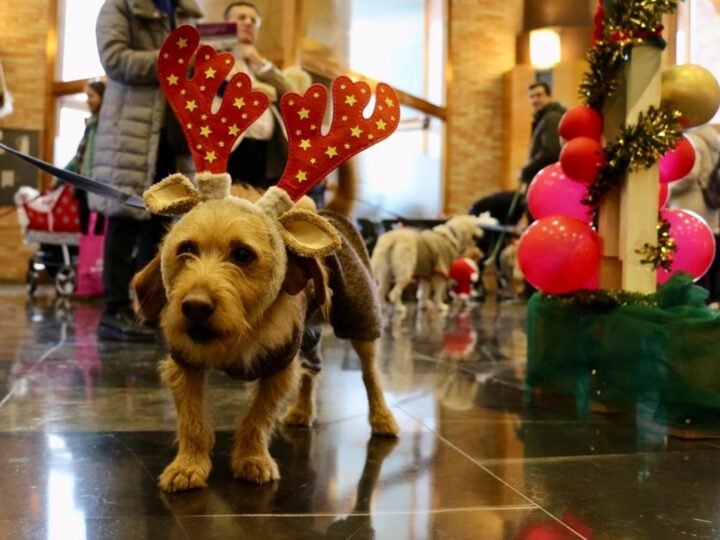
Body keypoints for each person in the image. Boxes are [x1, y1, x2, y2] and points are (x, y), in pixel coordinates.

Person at [90, 0, 203, 341]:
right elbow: (114, 59)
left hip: (172, 133)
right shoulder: (120, 6)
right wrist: (172, 62)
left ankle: (150, 309)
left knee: (160, 227)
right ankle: (114, 311)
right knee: (123, 218)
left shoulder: (186, 12)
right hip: (133, 131)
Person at [222, 1, 294, 189]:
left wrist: (258, 61)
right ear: (226, 24)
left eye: (254, 20)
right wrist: (261, 90)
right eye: (241, 17)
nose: (248, 22)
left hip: (264, 153)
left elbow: (291, 93)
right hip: (230, 150)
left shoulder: (260, 65)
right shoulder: (216, 58)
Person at [669, 126, 720, 305]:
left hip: (691, 205)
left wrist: (668, 185)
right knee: (711, 251)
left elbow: (689, 174)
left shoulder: (693, 141)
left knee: (694, 254)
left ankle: (698, 300)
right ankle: (713, 298)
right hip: (711, 206)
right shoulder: (714, 141)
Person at [66, 80, 105, 235]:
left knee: (98, 232)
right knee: (85, 232)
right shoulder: (90, 126)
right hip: (84, 186)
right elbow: (79, 158)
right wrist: (59, 178)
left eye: (91, 95)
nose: (88, 100)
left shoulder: (104, 126)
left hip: (98, 187)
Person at [520, 82, 566, 188]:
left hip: (547, 183)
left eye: (539, 95)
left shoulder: (551, 118)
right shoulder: (542, 119)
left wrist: (526, 170)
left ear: (549, 96)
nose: (535, 100)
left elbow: (551, 151)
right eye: (531, 97)